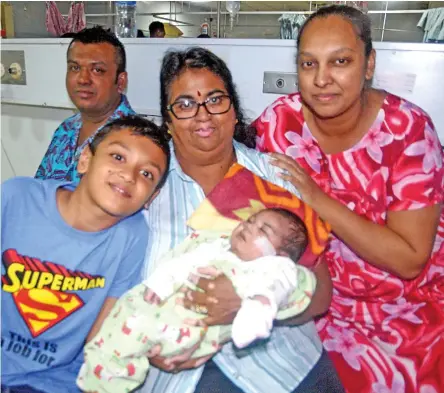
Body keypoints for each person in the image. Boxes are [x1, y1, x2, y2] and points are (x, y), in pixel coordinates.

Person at [252, 5, 444, 393]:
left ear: (368, 64)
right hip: (311, 298)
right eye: (309, 64)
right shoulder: (278, 123)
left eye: (340, 61)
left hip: (401, 307)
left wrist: (316, 197)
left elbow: (409, 261)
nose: (322, 79)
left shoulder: (407, 132)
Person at [135, 46, 344, 393]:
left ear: (234, 112)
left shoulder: (274, 180)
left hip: (285, 366)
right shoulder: (144, 186)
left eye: (215, 99)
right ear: (168, 122)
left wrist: (249, 304)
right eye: (185, 104)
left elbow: (320, 294)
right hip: (179, 372)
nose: (203, 115)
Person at [1, 116, 170, 393]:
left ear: (151, 197)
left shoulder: (133, 236)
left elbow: (103, 334)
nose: (129, 175)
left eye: (146, 174)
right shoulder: (16, 198)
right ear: (85, 160)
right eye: (118, 157)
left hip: (54, 383)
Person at [77, 208, 317, 393]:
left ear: (281, 254)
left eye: (263, 231)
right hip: (158, 315)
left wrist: (254, 303)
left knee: (127, 338)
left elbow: (292, 284)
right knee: (117, 339)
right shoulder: (215, 246)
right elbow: (179, 263)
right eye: (250, 221)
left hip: (193, 332)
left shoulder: (273, 268)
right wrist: (159, 285)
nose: (249, 227)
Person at [35, 26, 135, 183]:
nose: (83, 79)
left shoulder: (135, 143)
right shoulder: (65, 130)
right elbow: (37, 191)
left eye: (97, 70)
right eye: (75, 68)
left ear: (120, 82)